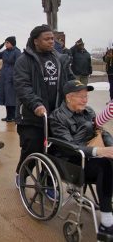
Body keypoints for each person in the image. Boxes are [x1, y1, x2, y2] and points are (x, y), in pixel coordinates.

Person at [49, 80, 113, 235]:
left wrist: (110, 146)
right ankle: (106, 222)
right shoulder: (57, 117)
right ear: (69, 97)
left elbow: (102, 133)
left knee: (109, 162)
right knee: (105, 166)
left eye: (86, 96)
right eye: (80, 96)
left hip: (91, 157)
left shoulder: (89, 112)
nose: (85, 99)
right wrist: (99, 151)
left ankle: (106, 206)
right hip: (71, 162)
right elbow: (69, 147)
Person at [14, 24, 74, 188]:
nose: (51, 42)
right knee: (33, 148)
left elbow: (69, 81)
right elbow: (22, 86)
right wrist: (36, 105)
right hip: (31, 116)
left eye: (52, 39)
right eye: (47, 39)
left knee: (56, 151)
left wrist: (78, 92)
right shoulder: (24, 61)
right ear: (36, 41)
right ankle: (22, 173)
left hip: (56, 115)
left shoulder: (59, 59)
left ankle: (47, 183)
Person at [0, 36, 21, 122]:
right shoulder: (5, 51)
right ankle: (8, 115)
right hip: (4, 76)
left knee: (11, 97)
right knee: (5, 96)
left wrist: (16, 77)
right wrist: (0, 46)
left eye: (7, 43)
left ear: (12, 43)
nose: (6, 44)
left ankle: (13, 116)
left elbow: (19, 65)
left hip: (12, 76)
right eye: (5, 43)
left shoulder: (17, 52)